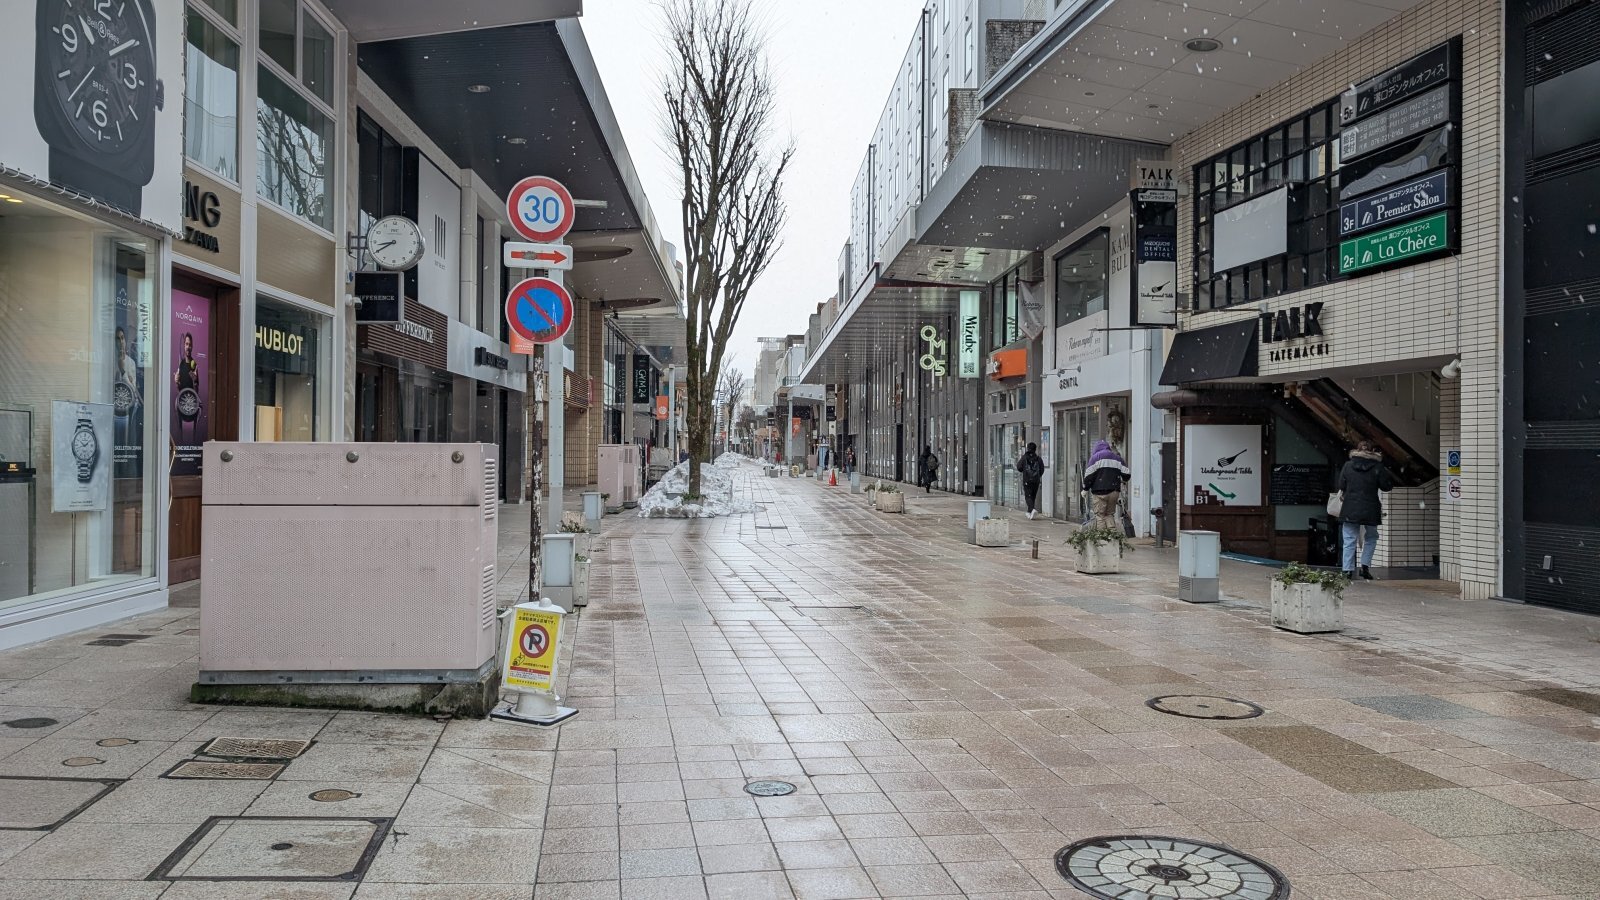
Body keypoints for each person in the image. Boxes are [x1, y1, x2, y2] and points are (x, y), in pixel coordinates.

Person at [1336, 439, 1394, 580]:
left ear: (1357, 449)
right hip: (1370, 507)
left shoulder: (1348, 466)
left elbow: (1341, 484)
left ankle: (1347, 570)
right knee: (1371, 537)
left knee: (1349, 538)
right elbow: (1386, 486)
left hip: (1351, 507)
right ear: (1371, 450)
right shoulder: (1377, 466)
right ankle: (1365, 567)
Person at [1082, 439, 1130, 529]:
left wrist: (1085, 489)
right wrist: (1122, 480)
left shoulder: (1095, 458)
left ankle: (1102, 538)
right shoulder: (1117, 458)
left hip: (1099, 493)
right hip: (1114, 492)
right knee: (1110, 514)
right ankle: (1111, 536)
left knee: (1100, 516)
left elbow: (1089, 476)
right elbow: (1127, 474)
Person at [1016, 442, 1045, 519]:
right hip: (1036, 481)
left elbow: (1019, 467)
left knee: (1028, 496)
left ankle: (1032, 509)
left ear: (1028, 448)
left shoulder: (1024, 457)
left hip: (1027, 480)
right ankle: (1029, 513)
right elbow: (1042, 469)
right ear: (1035, 449)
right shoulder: (1038, 458)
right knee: (1032, 496)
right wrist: (1037, 476)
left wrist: (1024, 471)